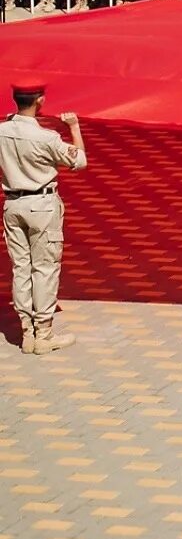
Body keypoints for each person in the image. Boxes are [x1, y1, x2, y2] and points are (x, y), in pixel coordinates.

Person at [1, 79, 87, 354]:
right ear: (40, 100)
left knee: (21, 269)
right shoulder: (46, 137)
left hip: (12, 204)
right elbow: (79, 161)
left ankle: (27, 332)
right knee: (45, 269)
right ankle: (44, 334)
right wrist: (73, 127)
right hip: (42, 204)